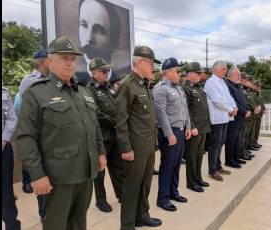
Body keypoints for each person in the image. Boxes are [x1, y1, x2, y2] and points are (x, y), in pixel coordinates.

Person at [14, 36, 107, 230]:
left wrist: (100, 152)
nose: (69, 63)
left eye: (72, 59)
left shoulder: (83, 91)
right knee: (56, 224)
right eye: (63, 58)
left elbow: (94, 125)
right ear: (50, 62)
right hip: (58, 177)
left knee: (79, 222)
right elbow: (25, 137)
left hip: (86, 171)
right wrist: (37, 175)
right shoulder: (37, 93)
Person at [115, 45, 162, 229]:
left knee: (145, 185)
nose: (153, 67)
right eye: (151, 63)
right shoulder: (127, 85)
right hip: (134, 147)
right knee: (132, 187)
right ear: (140, 62)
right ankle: (127, 224)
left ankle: (142, 215)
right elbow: (120, 121)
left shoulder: (144, 84)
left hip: (147, 145)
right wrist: (126, 148)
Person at [15, 49, 49, 220]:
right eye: (49, 60)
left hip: (51, 137)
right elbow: (30, 112)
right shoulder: (29, 82)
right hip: (37, 135)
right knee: (40, 174)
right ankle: (44, 214)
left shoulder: (52, 80)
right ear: (42, 62)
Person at [152, 58, 191, 212]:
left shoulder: (179, 89)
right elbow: (160, 113)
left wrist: (188, 126)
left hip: (180, 131)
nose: (179, 73)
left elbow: (185, 110)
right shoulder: (160, 89)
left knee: (176, 166)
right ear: (167, 73)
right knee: (167, 166)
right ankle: (163, 199)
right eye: (177, 71)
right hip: (169, 132)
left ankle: (174, 192)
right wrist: (169, 134)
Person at [87, 57, 126, 211]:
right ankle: (100, 200)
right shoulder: (90, 89)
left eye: (107, 70)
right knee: (100, 171)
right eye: (103, 70)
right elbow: (97, 114)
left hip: (114, 135)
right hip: (102, 137)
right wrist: (117, 123)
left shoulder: (107, 87)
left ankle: (122, 194)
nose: (106, 73)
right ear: (94, 72)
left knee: (117, 167)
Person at [78, 0, 130, 78]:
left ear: (114, 41)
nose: (88, 38)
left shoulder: (123, 75)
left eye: (99, 30)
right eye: (84, 25)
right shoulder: (74, 78)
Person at [181, 62, 211, 193]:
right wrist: (191, 126)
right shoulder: (185, 88)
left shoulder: (198, 87)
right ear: (190, 74)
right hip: (194, 129)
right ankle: (191, 182)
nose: (200, 75)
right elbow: (185, 110)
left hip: (203, 127)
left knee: (199, 156)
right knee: (192, 157)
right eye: (198, 73)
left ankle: (198, 178)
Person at [203, 60, 235, 181]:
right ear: (216, 69)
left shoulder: (222, 82)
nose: (225, 71)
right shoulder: (210, 82)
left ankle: (218, 165)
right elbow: (216, 100)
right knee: (215, 144)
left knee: (221, 143)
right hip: (217, 118)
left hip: (225, 117)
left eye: (225, 69)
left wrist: (234, 107)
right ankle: (212, 170)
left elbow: (228, 97)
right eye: (223, 69)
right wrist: (230, 109)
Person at [2, 87, 20, 230]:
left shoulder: (3, 92)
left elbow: (12, 117)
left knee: (5, 191)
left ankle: (12, 225)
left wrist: (4, 140)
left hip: (3, 148)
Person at [224, 67, 250, 168]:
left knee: (238, 138)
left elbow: (243, 100)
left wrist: (247, 109)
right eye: (237, 75)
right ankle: (229, 160)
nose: (239, 77)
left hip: (241, 116)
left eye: (239, 75)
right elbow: (233, 102)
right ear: (230, 75)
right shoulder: (228, 86)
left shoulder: (238, 86)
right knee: (231, 139)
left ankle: (236, 157)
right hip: (234, 117)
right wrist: (244, 111)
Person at [239, 72, 259, 159]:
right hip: (244, 115)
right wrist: (253, 108)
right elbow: (245, 102)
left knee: (246, 134)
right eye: (245, 79)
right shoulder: (241, 90)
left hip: (250, 115)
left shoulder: (247, 91)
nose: (247, 81)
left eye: (247, 79)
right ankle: (242, 152)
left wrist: (256, 107)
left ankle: (245, 150)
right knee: (243, 135)